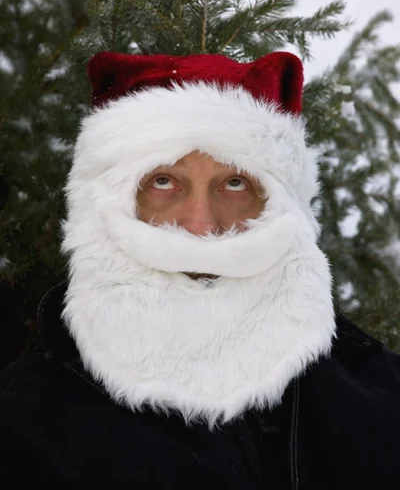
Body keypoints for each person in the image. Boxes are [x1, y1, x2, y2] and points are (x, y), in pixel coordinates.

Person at [1, 50, 399, 490]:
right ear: (105, 207)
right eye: (163, 181)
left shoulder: (384, 396)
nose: (200, 225)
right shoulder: (26, 422)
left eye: (234, 183)